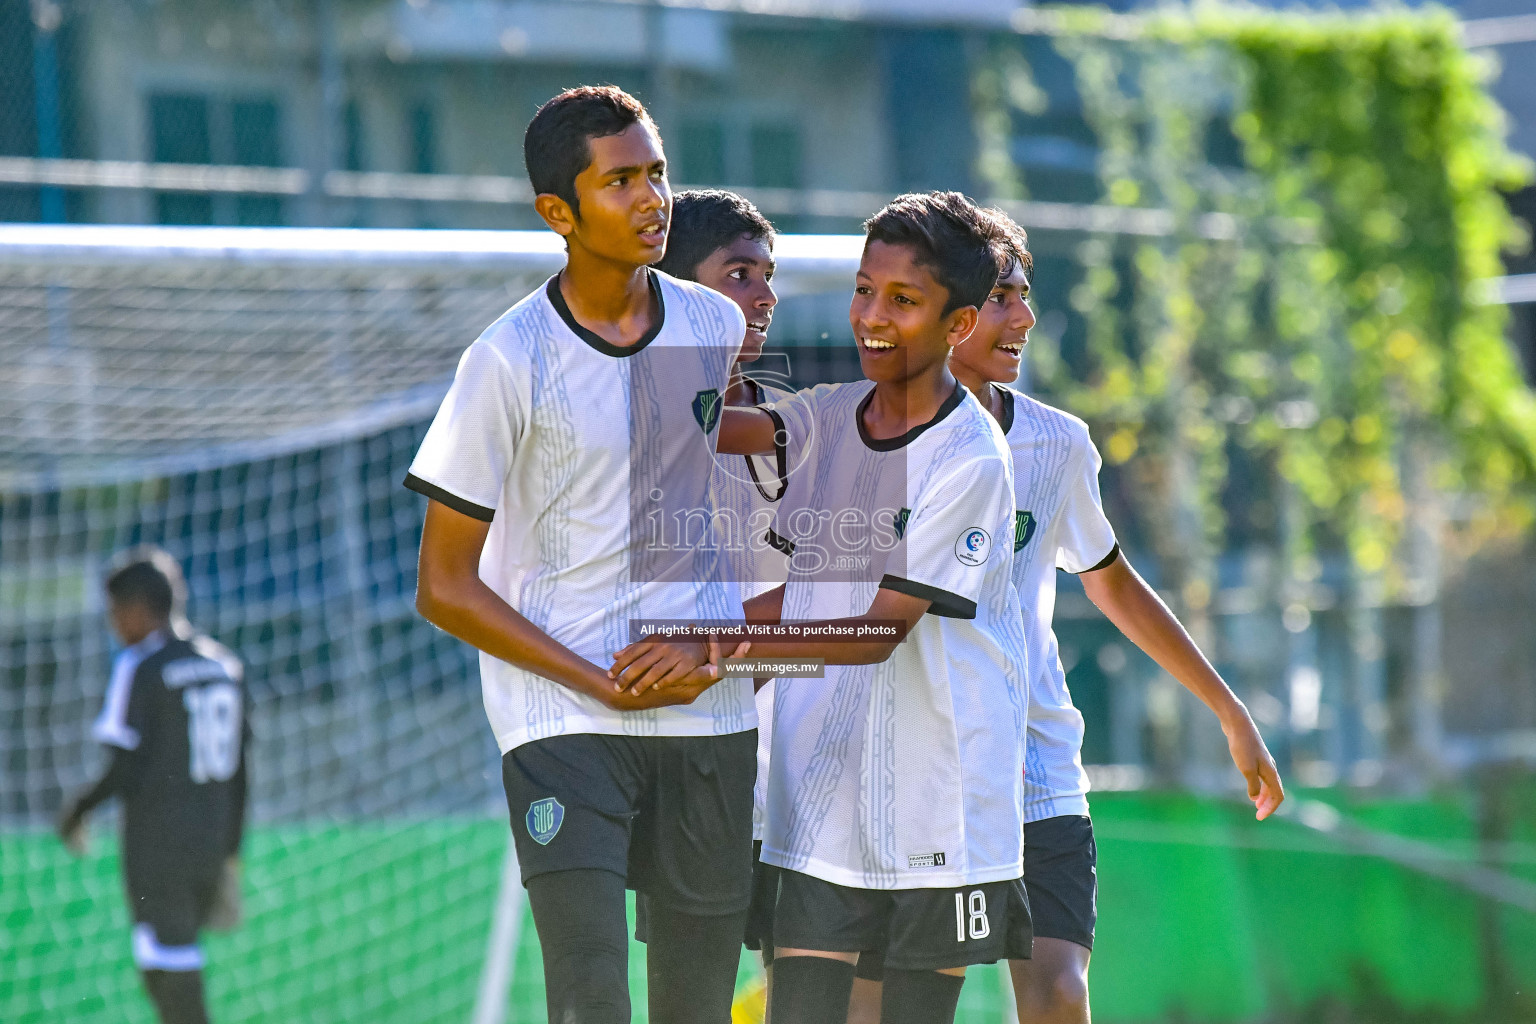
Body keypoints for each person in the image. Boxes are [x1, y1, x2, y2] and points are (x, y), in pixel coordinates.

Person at [845, 219, 1287, 1024]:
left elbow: (1113, 582)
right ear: (949, 316)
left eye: (1026, 297)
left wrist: (1229, 709)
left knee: (1058, 996)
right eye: (1001, 298)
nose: (1023, 318)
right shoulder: (863, 438)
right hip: (911, 777)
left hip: (1033, 768)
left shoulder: (1056, 444)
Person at [615, 191, 1034, 1024]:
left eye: (903, 301)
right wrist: (631, 353)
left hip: (938, 809)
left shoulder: (969, 458)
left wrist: (712, 648)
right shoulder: (829, 415)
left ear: (958, 327)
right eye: (863, 290)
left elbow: (878, 630)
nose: (872, 316)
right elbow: (699, 428)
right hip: (819, 807)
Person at [405, 86, 756, 1024]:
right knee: (590, 993)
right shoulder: (507, 360)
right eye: (621, 182)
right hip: (562, 712)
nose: (654, 200)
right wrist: (596, 680)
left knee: (695, 1007)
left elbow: (719, 520)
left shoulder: (712, 330)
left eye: (658, 173)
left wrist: (715, 648)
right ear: (558, 212)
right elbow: (442, 586)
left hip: (707, 714)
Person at [652, 188, 790, 998]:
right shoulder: (634, 424)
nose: (765, 295)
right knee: (686, 994)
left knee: (817, 990)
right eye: (740, 273)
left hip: (796, 766)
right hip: (673, 755)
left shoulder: (792, 436)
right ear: (677, 290)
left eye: (768, 275)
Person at [57, 546, 248, 1024]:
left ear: (138, 608)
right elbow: (241, 772)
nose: (113, 624)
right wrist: (230, 852)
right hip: (208, 844)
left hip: (158, 850)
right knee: (170, 967)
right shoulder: (225, 665)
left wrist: (77, 810)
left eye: (115, 612)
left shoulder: (140, 667)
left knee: (170, 977)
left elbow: (124, 768)